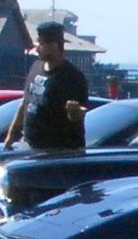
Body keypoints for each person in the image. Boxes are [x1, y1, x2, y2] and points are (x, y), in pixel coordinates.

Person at [5, 20, 89, 151]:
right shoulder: (36, 66)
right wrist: (11, 136)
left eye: (41, 44)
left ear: (54, 45)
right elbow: (25, 103)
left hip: (56, 152)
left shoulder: (72, 77)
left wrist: (74, 112)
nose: (37, 48)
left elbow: (78, 116)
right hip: (28, 145)